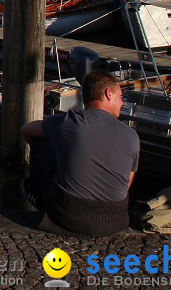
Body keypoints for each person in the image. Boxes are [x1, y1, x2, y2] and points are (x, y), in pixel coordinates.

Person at [21, 70, 138, 237]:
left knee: (41, 139)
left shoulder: (70, 122)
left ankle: (38, 195)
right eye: (120, 97)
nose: (122, 103)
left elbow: (26, 129)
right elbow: (127, 183)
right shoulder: (132, 135)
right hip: (115, 221)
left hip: (68, 217)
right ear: (108, 94)